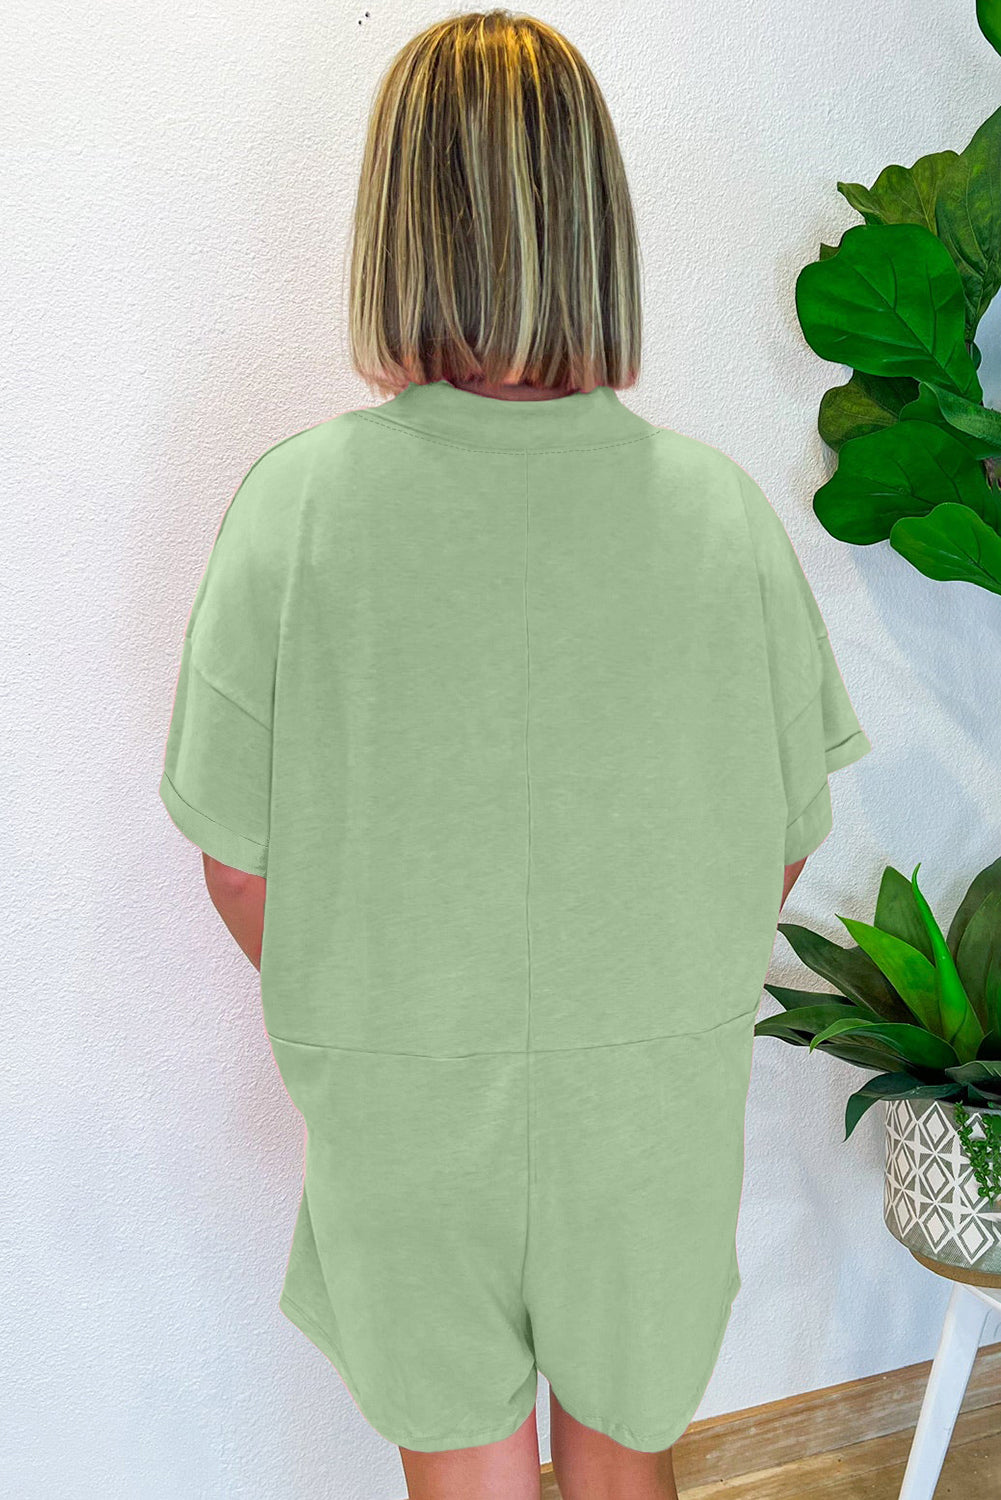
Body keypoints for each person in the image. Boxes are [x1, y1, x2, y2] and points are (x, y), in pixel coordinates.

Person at [157, 10, 872, 1499]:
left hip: (405, 1102)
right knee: (626, 1459)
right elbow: (774, 837)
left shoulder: (296, 512)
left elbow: (237, 865)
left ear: (395, 226)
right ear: (596, 222)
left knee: (464, 1468)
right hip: (647, 1102)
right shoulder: (719, 518)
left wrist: (395, 1008)